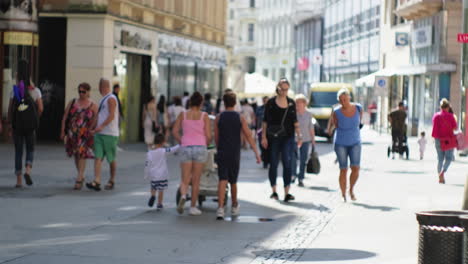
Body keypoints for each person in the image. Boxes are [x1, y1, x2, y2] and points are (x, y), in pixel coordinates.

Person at [214, 92, 261, 220]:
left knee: (222, 179)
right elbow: (248, 136)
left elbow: (216, 137)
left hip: (222, 151)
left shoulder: (218, 117)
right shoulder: (240, 118)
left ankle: (220, 208)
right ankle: (234, 206)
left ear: (224, 102)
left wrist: (219, 149)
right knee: (233, 181)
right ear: (235, 103)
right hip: (234, 152)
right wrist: (257, 153)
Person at [261, 78, 302, 202]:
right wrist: (263, 136)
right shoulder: (271, 103)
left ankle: (287, 192)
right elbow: (265, 121)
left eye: (286, 89)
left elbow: (295, 121)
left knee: (287, 162)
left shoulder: (291, 103)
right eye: (282, 89)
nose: (284, 92)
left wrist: (299, 135)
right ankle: (274, 191)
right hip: (273, 138)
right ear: (277, 88)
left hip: (288, 137)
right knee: (273, 163)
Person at [172, 92, 211, 215]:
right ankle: (193, 207)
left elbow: (174, 131)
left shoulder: (182, 114)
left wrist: (182, 141)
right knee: (196, 180)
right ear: (201, 103)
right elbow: (209, 135)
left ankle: (184, 195)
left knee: (185, 179)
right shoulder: (204, 116)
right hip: (200, 147)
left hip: (186, 147)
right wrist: (205, 143)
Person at [7, 59, 42, 188]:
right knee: (30, 149)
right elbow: (41, 108)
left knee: (18, 151)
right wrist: (34, 118)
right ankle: (28, 169)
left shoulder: (14, 90)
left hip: (17, 126)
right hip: (30, 126)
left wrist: (10, 124)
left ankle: (19, 180)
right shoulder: (35, 91)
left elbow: (11, 109)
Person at [60, 83, 98, 190]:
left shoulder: (92, 105)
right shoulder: (72, 102)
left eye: (83, 92)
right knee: (76, 155)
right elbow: (65, 116)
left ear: (88, 92)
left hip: (84, 134)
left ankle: (79, 177)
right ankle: (81, 175)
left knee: (82, 154)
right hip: (73, 133)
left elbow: (96, 119)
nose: (81, 94)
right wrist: (62, 130)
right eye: (79, 91)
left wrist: (92, 130)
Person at [86, 78, 119, 191]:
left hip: (110, 134)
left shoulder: (111, 99)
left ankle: (112, 179)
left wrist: (101, 126)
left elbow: (111, 116)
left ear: (103, 87)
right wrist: (92, 127)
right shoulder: (102, 100)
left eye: (100, 87)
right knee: (98, 156)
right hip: (99, 134)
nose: (99, 89)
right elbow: (98, 116)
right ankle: (97, 181)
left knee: (111, 158)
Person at [331, 89, 363, 202]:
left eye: (345, 99)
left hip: (355, 142)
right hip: (341, 143)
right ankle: (343, 193)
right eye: (341, 100)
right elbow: (335, 125)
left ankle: (351, 189)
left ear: (349, 98)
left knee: (355, 168)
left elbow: (359, 122)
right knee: (343, 169)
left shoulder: (358, 108)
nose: (343, 102)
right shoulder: (336, 111)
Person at [145, 133, 180, 210]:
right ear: (163, 142)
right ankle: (159, 204)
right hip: (162, 175)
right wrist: (180, 144)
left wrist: (147, 174)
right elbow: (172, 149)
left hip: (153, 175)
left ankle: (153, 195)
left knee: (153, 187)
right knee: (161, 190)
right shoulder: (163, 151)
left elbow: (147, 164)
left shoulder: (150, 153)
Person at [291, 94, 315, 187]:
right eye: (296, 102)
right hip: (294, 139)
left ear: (304, 103)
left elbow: (311, 128)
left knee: (303, 159)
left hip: (306, 139)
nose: (297, 104)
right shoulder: (293, 113)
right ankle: (293, 175)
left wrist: (313, 140)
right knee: (293, 158)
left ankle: (301, 178)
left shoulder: (308, 114)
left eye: (299, 102)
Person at [432, 98, 457, 184]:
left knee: (440, 159)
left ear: (440, 107)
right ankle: (442, 172)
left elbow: (434, 128)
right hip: (448, 140)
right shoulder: (451, 116)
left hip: (437, 139)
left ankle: (440, 176)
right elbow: (455, 127)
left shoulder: (436, 116)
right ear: (448, 107)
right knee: (449, 158)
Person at [256, 96, 269, 169]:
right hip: (260, 129)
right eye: (264, 101)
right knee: (261, 145)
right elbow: (256, 118)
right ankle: (264, 157)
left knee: (267, 146)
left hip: (269, 130)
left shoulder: (272, 109)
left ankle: (266, 161)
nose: (266, 102)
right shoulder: (259, 109)